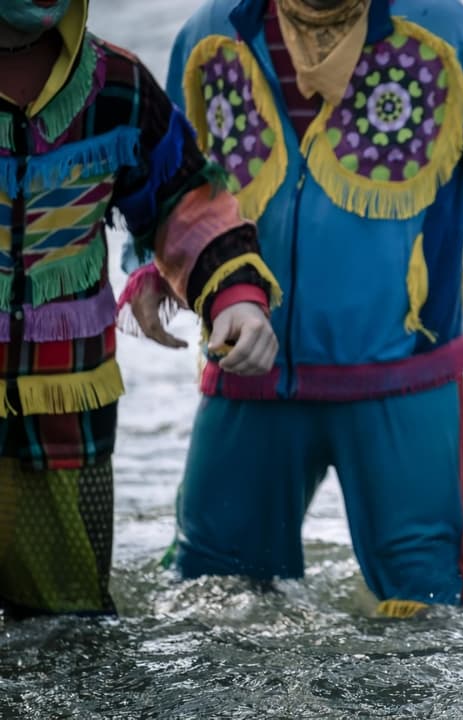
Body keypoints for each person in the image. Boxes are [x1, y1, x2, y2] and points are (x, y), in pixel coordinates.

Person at [135, 0, 463, 617]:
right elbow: (165, 175)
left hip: (403, 380)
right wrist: (154, 266)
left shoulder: (447, 32)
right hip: (246, 371)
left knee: (430, 610)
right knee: (211, 599)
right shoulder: (209, 37)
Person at [0, 0, 278, 619]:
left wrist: (235, 298)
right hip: (67, 397)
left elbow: (184, 198)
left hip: (67, 411)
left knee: (66, 635)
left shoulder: (116, 86)